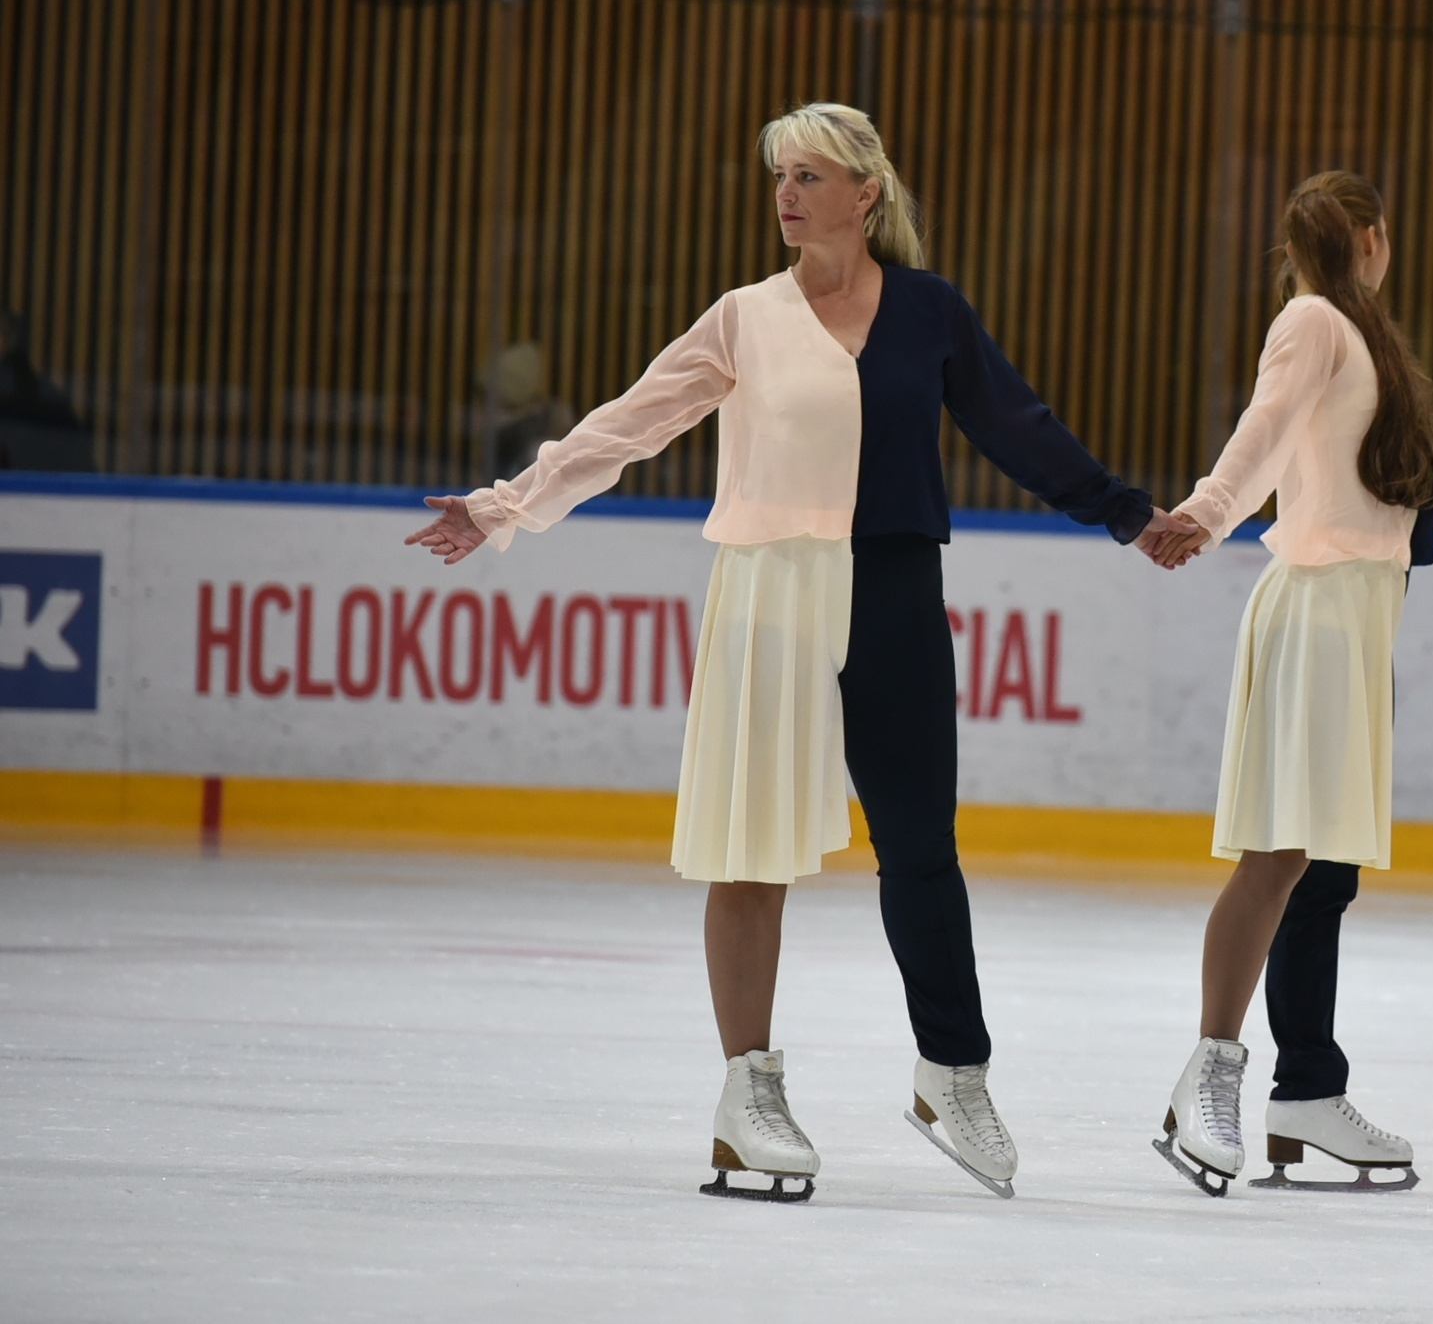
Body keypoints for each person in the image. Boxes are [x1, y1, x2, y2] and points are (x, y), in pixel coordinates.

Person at [407, 102, 1178, 1203]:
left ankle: (953, 1074)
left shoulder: (930, 311)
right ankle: (747, 1093)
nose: (786, 193)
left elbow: (1018, 426)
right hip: (769, 589)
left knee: (921, 844)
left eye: (809, 175)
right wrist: (502, 507)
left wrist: (1127, 512)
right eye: (779, 174)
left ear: (866, 193)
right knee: (751, 848)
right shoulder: (745, 318)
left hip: (896, 584)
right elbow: (627, 424)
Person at [1139, 170, 1433, 1196]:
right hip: (1317, 608)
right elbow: (1261, 432)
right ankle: (1208, 1075)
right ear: (1372, 236)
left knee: (1319, 864)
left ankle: (1304, 1089)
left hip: (1356, 614)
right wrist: (1207, 511)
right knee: (1277, 855)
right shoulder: (1314, 321)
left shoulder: (1356, 330)